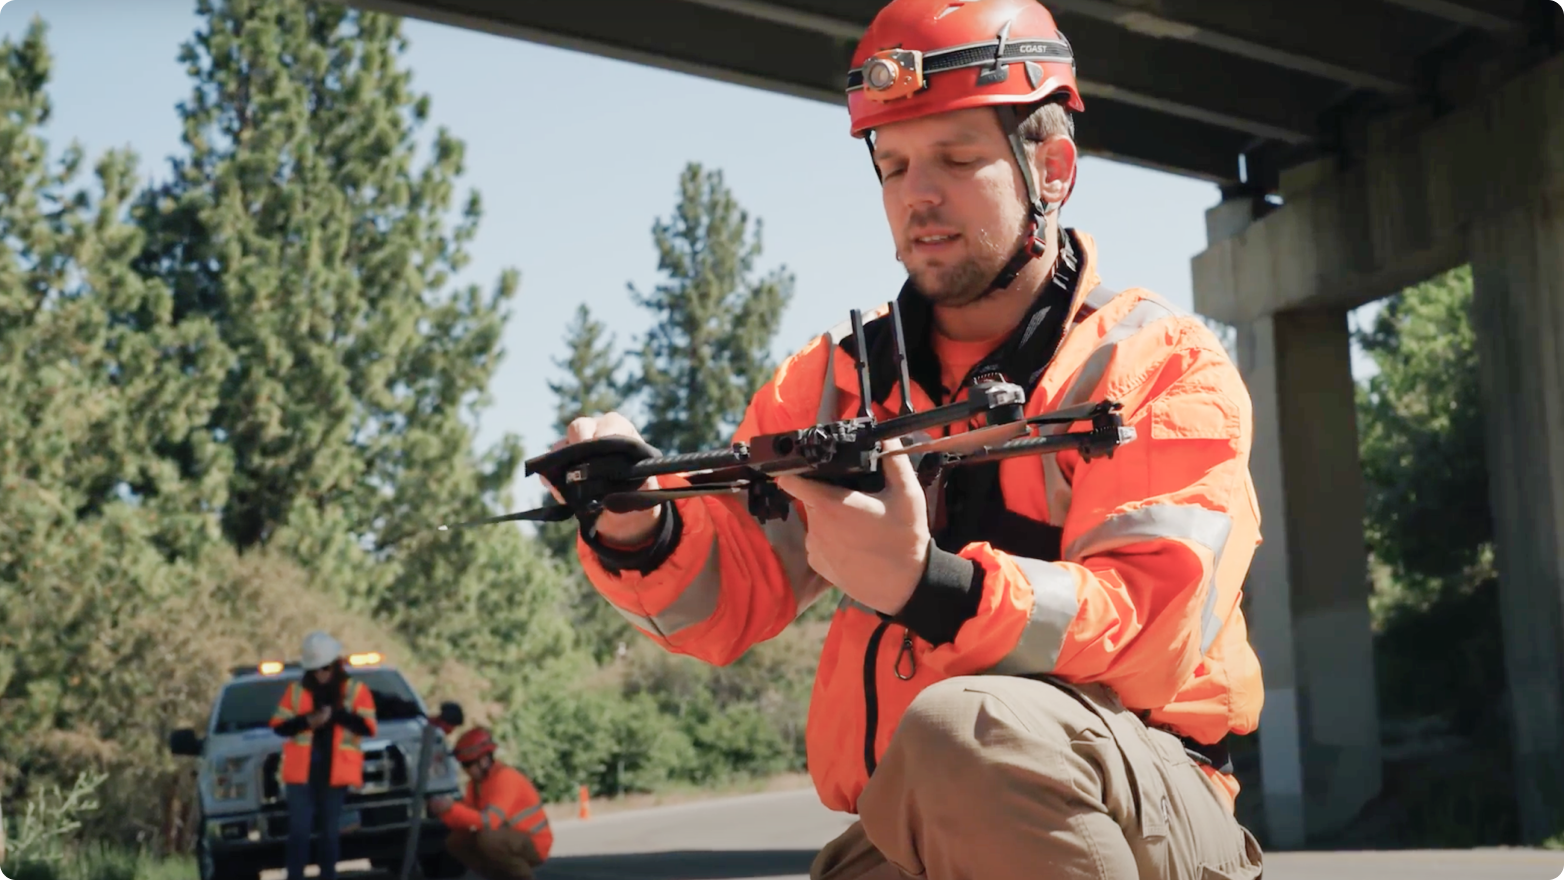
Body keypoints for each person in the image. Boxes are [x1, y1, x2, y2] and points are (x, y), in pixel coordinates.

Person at [548, 0, 1268, 877]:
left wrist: (931, 588)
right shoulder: (828, 383)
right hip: (914, 811)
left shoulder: (1159, 364)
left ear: (1052, 167)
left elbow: (1153, 634)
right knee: (930, 776)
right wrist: (638, 527)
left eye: (957, 161)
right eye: (893, 167)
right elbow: (727, 597)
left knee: (967, 733)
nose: (918, 195)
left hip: (1142, 798)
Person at [268, 631, 378, 880]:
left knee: (329, 832)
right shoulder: (296, 691)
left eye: (326, 668)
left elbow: (368, 727)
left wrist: (335, 715)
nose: (321, 674)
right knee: (299, 831)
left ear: (336, 665)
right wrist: (308, 721)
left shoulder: (355, 690)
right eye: (315, 669)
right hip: (301, 775)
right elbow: (279, 726)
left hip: (335, 774)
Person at [426, 726, 552, 880]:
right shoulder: (477, 784)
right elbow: (466, 820)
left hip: (534, 842)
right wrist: (444, 811)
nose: (465, 770)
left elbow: (489, 821)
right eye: (463, 765)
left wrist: (452, 807)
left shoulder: (505, 778)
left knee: (488, 839)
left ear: (484, 760)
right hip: (509, 838)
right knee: (456, 841)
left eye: (468, 764)